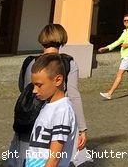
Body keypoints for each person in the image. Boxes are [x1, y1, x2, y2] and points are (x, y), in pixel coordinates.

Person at [9, 25, 89, 167]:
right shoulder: (67, 63)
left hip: (28, 120)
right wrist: (82, 128)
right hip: (52, 124)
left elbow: (22, 87)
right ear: (62, 39)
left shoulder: (30, 62)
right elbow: (73, 95)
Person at [24, 54, 78, 167]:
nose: (34, 90)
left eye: (39, 85)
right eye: (33, 85)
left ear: (58, 80)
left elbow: (54, 158)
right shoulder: (47, 105)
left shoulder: (62, 110)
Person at [97, 14, 128, 100]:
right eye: (125, 20)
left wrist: (127, 44)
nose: (126, 22)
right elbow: (118, 42)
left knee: (119, 74)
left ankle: (110, 93)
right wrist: (106, 48)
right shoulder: (125, 32)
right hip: (127, 54)